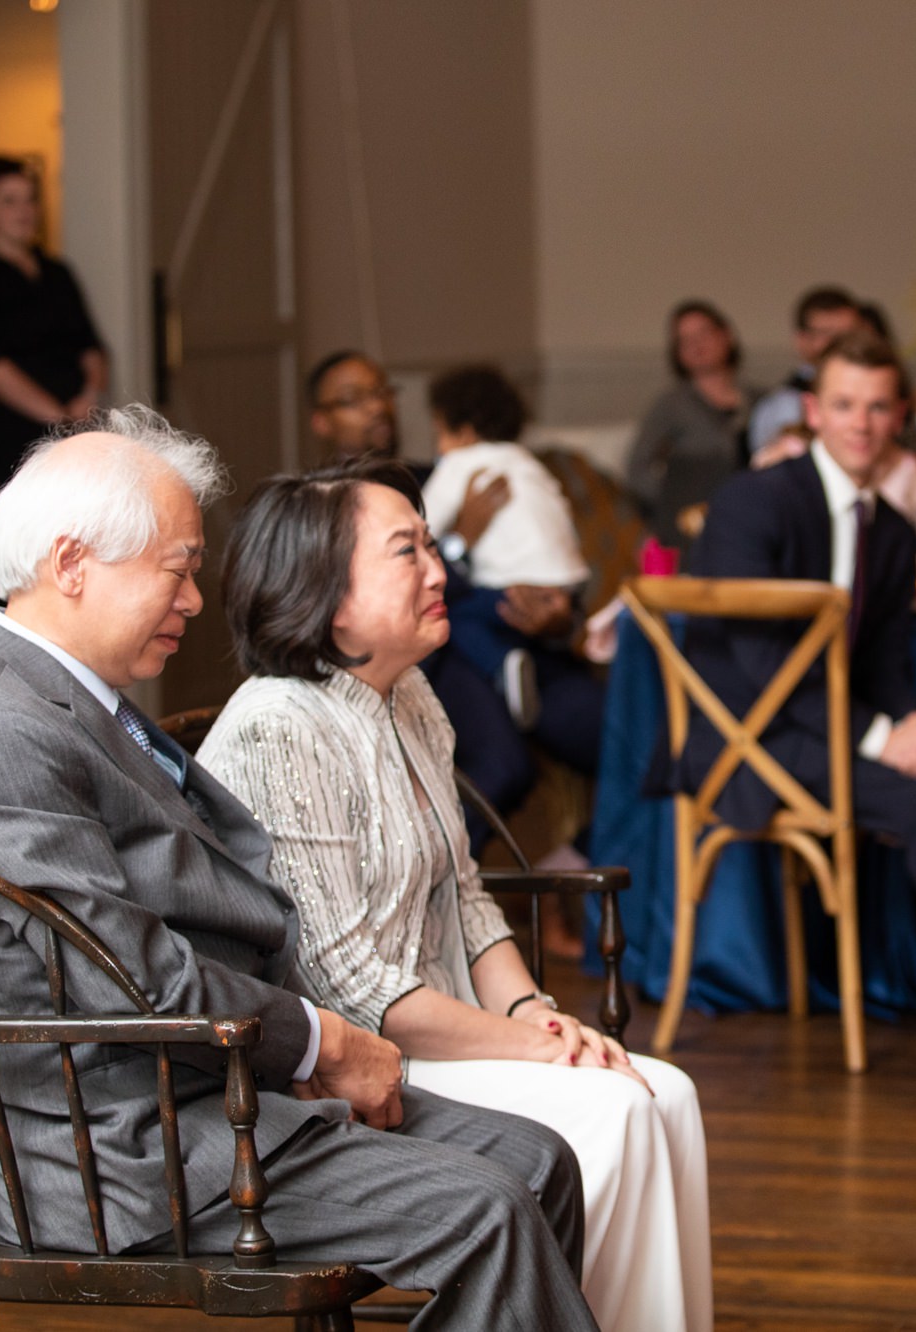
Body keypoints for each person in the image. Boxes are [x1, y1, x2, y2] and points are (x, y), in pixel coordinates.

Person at [0, 408, 597, 1330]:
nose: (195, 598)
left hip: (218, 1093)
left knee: (541, 1161)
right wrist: (321, 1040)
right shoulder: (0, 734)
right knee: (491, 1207)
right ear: (71, 565)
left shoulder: (67, 700)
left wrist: (293, 1046)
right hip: (129, 1154)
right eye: (177, 569)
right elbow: (126, 975)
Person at [199, 459, 711, 1332]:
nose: (441, 571)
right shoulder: (279, 724)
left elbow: (466, 894)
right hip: (354, 1070)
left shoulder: (408, 695)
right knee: (620, 1108)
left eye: (433, 544)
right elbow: (351, 987)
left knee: (669, 1097)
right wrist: (524, 1047)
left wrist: (537, 1014)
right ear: (328, 594)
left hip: (450, 1030)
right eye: (409, 552)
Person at [683, 329, 916, 1014]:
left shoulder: (888, 529)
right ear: (814, 410)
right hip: (748, 741)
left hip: (833, 730)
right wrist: (882, 740)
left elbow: (882, 661)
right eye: (846, 405)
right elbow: (764, 668)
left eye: (878, 407)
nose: (862, 424)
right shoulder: (753, 502)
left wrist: (912, 724)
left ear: (899, 415)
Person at [420, 364, 604, 781]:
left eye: (439, 430)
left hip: (511, 607)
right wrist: (462, 539)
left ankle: (502, 664)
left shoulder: (456, 466)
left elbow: (421, 529)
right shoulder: (530, 466)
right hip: (562, 582)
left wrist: (449, 540)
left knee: (465, 619)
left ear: (462, 431)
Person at [0, 157, 105, 518]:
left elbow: (90, 345)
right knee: (19, 541)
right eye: (10, 200)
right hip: (8, 434)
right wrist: (58, 416)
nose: (25, 210)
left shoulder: (58, 274)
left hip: (75, 426)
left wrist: (89, 395)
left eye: (30, 199)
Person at [627, 300, 752, 544]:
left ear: (725, 335)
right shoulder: (671, 405)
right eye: (685, 340)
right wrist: (675, 499)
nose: (697, 345)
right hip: (688, 529)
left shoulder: (761, 401)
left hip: (749, 519)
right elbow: (637, 469)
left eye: (704, 333)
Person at [744, 286, 862, 456]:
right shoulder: (783, 407)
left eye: (848, 333)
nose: (839, 343)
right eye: (826, 333)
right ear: (802, 340)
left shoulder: (881, 392)